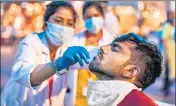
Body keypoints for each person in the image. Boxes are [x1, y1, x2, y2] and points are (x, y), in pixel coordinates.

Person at [1, 1, 86, 106]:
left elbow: (92, 57)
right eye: (58, 21)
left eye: (69, 23)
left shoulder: (68, 46)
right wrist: (60, 63)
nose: (64, 27)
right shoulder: (31, 42)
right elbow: (26, 76)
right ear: (46, 25)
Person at [73, 1, 115, 106]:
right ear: (83, 19)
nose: (92, 20)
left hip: (101, 99)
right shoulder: (74, 40)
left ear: (103, 16)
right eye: (88, 17)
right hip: (76, 98)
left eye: (96, 15)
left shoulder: (112, 42)